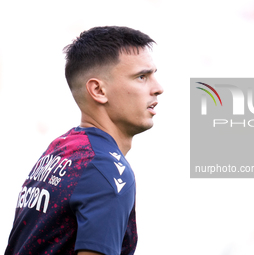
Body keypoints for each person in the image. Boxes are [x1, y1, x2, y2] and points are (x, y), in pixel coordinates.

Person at [5, 26, 164, 255]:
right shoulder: (108, 171)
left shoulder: (59, 150)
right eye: (142, 77)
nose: (158, 88)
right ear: (98, 90)